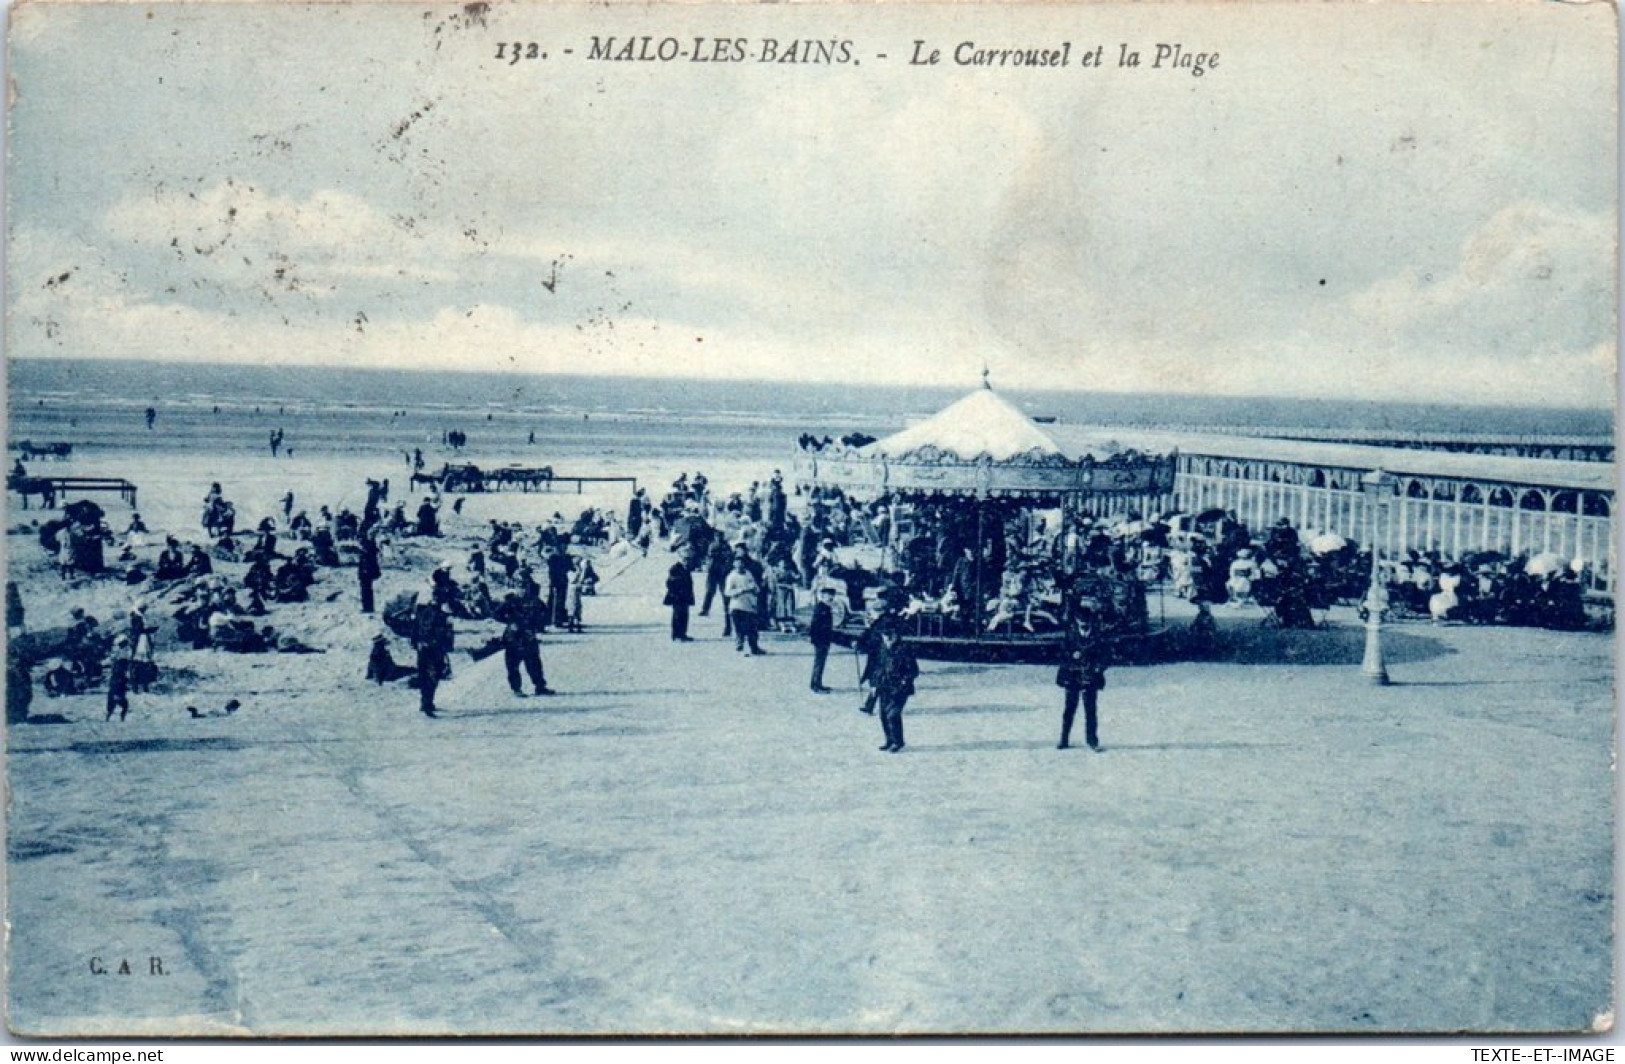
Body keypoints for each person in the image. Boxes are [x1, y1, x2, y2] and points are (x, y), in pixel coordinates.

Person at [1057, 609, 1109, 751]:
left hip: (1091, 676)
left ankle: (1092, 741)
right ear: (1076, 621)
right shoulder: (1070, 635)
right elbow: (1061, 654)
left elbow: (1106, 656)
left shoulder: (1099, 637)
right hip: (1073, 676)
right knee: (1069, 709)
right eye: (1081, 622)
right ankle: (1064, 739)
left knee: (1090, 710)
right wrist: (1071, 657)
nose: (1084, 624)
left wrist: (1099, 668)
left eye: (1086, 622)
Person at [871, 626, 919, 753]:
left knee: (892, 714)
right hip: (884, 686)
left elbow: (914, 670)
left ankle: (898, 742)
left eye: (889, 638)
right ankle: (889, 740)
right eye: (884, 638)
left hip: (899, 688)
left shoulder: (904, 650)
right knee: (883, 715)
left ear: (895, 636)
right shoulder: (883, 649)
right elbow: (878, 668)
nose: (886, 641)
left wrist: (905, 681)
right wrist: (874, 685)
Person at [412, 601, 454, 717]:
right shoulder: (440, 617)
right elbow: (445, 635)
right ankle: (427, 704)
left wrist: (416, 644)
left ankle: (426, 702)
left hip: (423, 649)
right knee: (432, 676)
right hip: (434, 651)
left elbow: (414, 630)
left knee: (425, 676)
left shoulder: (422, 614)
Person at [724, 556, 764, 655]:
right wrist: (741, 590)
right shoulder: (731, 576)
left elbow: (755, 587)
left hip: (749, 606)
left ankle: (754, 648)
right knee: (739, 629)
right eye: (737, 563)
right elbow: (727, 592)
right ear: (734, 564)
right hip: (737, 606)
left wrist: (755, 590)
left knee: (752, 629)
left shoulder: (748, 574)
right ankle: (739, 646)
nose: (740, 565)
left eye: (741, 563)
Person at [808, 586, 838, 692]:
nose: (831, 598)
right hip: (821, 640)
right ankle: (815, 685)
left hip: (824, 639)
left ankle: (817, 683)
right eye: (828, 596)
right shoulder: (821, 608)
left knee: (821, 662)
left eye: (832, 596)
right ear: (823, 596)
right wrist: (815, 639)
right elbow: (814, 626)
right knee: (819, 663)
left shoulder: (825, 607)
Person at [663, 562, 695, 642]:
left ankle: (681, 634)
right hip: (678, 597)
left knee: (683, 615)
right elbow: (669, 583)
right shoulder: (676, 569)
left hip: (684, 597)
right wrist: (676, 593)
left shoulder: (686, 571)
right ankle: (677, 634)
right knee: (678, 616)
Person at [358, 531, 382, 614]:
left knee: (366, 590)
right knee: (367, 590)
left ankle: (368, 608)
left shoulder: (368, 548)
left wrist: (364, 571)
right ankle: (368, 607)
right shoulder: (370, 547)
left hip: (366, 572)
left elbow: (367, 562)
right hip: (366, 572)